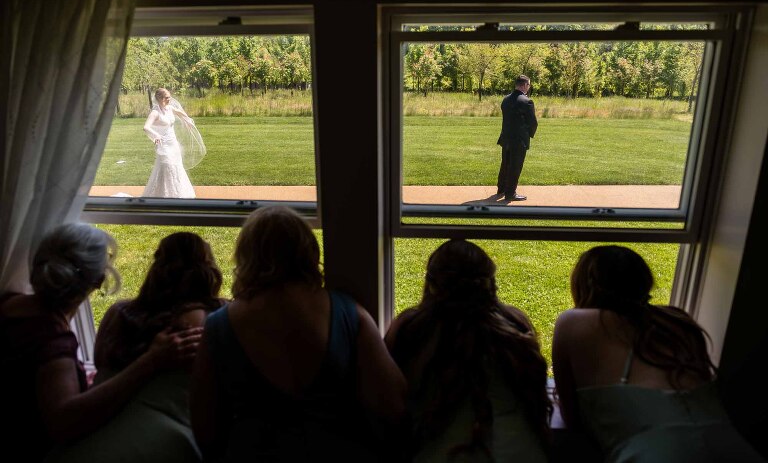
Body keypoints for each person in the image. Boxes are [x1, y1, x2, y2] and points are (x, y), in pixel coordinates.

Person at [190, 206, 407, 462]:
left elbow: (205, 430)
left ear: (246, 256)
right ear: (308, 251)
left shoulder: (218, 326)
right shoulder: (349, 314)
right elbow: (394, 407)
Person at [0, 223, 202, 463]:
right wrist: (151, 361)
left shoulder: (9, 303)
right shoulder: (52, 345)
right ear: (98, 281)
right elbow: (63, 424)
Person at [552, 245, 766, 462]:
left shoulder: (574, 322)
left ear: (584, 286)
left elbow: (572, 416)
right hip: (732, 445)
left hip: (658, 454)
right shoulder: (677, 320)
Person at [46, 232, 224, 463]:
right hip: (163, 445)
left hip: (83, 444)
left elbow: (99, 363)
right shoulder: (218, 318)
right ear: (209, 269)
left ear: (157, 266)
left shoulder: (118, 314)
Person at [385, 239, 551, 463]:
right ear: (490, 283)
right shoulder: (514, 324)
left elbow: (388, 405)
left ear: (432, 284)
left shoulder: (411, 327)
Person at [143, 88, 205, 199]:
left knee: (176, 167)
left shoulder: (169, 108)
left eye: (169, 97)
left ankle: (179, 193)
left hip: (173, 145)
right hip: (163, 145)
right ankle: (162, 194)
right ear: (160, 98)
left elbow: (180, 112)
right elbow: (146, 127)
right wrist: (156, 135)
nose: (169, 99)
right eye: (167, 97)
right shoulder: (155, 112)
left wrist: (187, 120)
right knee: (166, 167)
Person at [496, 75, 538, 202]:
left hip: (506, 137)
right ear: (525, 85)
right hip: (519, 140)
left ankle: (501, 188)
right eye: (529, 85)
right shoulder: (527, 102)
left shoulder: (506, 99)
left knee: (505, 164)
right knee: (515, 166)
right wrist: (529, 134)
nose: (529, 87)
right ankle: (510, 193)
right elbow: (533, 123)